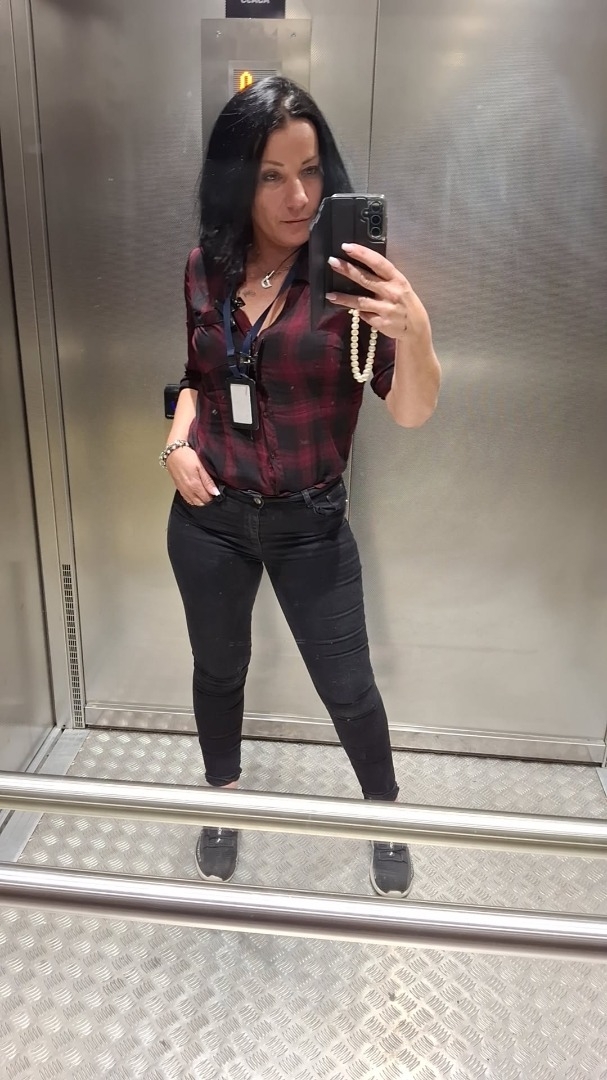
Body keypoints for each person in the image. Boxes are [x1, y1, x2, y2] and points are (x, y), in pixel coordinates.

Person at [164, 76, 440, 898]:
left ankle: (383, 814)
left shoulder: (351, 278)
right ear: (235, 181)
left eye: (311, 170)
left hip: (310, 524)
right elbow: (194, 378)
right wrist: (175, 442)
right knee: (218, 672)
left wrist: (416, 330)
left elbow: (410, 410)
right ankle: (223, 801)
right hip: (209, 516)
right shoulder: (205, 269)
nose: (298, 196)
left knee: (348, 689)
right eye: (271, 176)